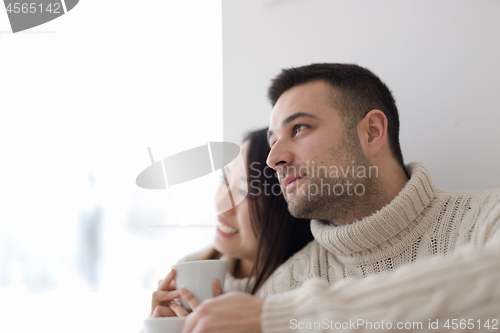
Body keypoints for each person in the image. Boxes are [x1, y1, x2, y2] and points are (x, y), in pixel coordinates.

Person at [181, 63, 500, 333]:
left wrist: (281, 318)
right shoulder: (285, 287)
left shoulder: (487, 217)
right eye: (273, 139)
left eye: (299, 128)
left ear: (372, 132)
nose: (273, 158)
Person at [148, 128, 314, 318]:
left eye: (245, 192)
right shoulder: (189, 271)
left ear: (288, 206)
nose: (221, 205)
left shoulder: (310, 295)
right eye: (224, 180)